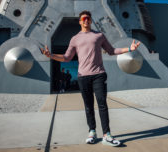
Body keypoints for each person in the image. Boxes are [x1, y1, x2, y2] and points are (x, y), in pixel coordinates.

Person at [40, 10, 140, 146]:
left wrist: (129, 48)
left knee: (102, 104)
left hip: (99, 74)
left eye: (88, 18)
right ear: (80, 21)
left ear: (91, 21)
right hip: (83, 76)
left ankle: (107, 134)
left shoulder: (99, 35)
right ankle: (92, 131)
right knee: (88, 106)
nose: (86, 20)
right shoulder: (75, 38)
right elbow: (67, 57)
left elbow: (112, 51)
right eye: (84, 18)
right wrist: (51, 55)